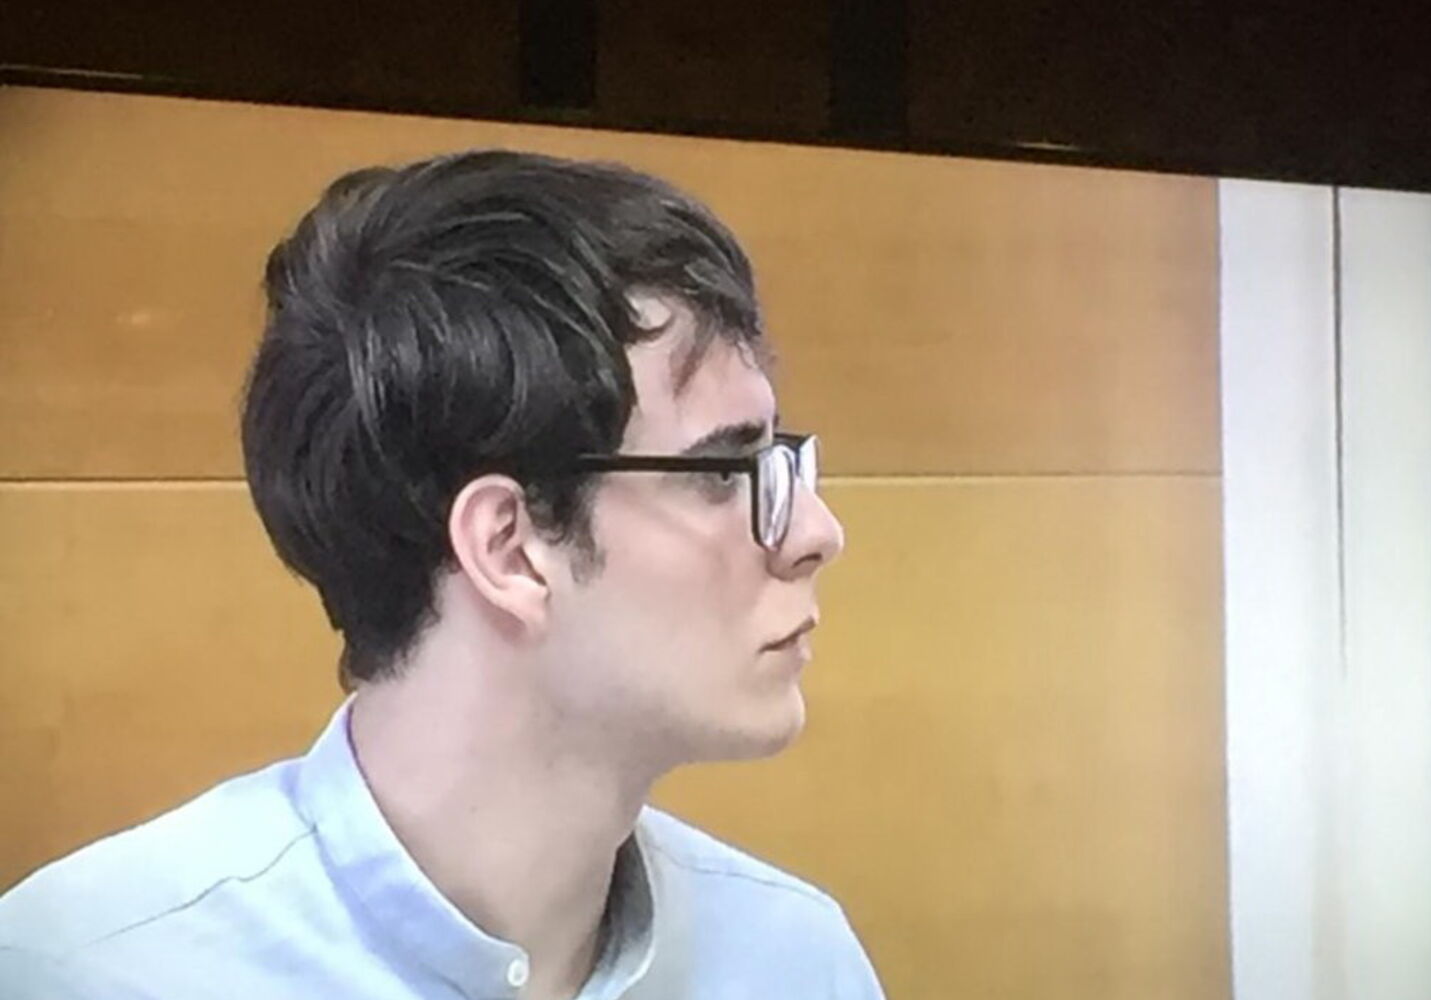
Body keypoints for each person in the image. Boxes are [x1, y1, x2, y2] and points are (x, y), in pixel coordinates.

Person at [0, 151, 883, 999]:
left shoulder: (794, 962)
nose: (816, 533)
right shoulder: (85, 973)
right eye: (726, 472)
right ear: (508, 548)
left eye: (781, 462)